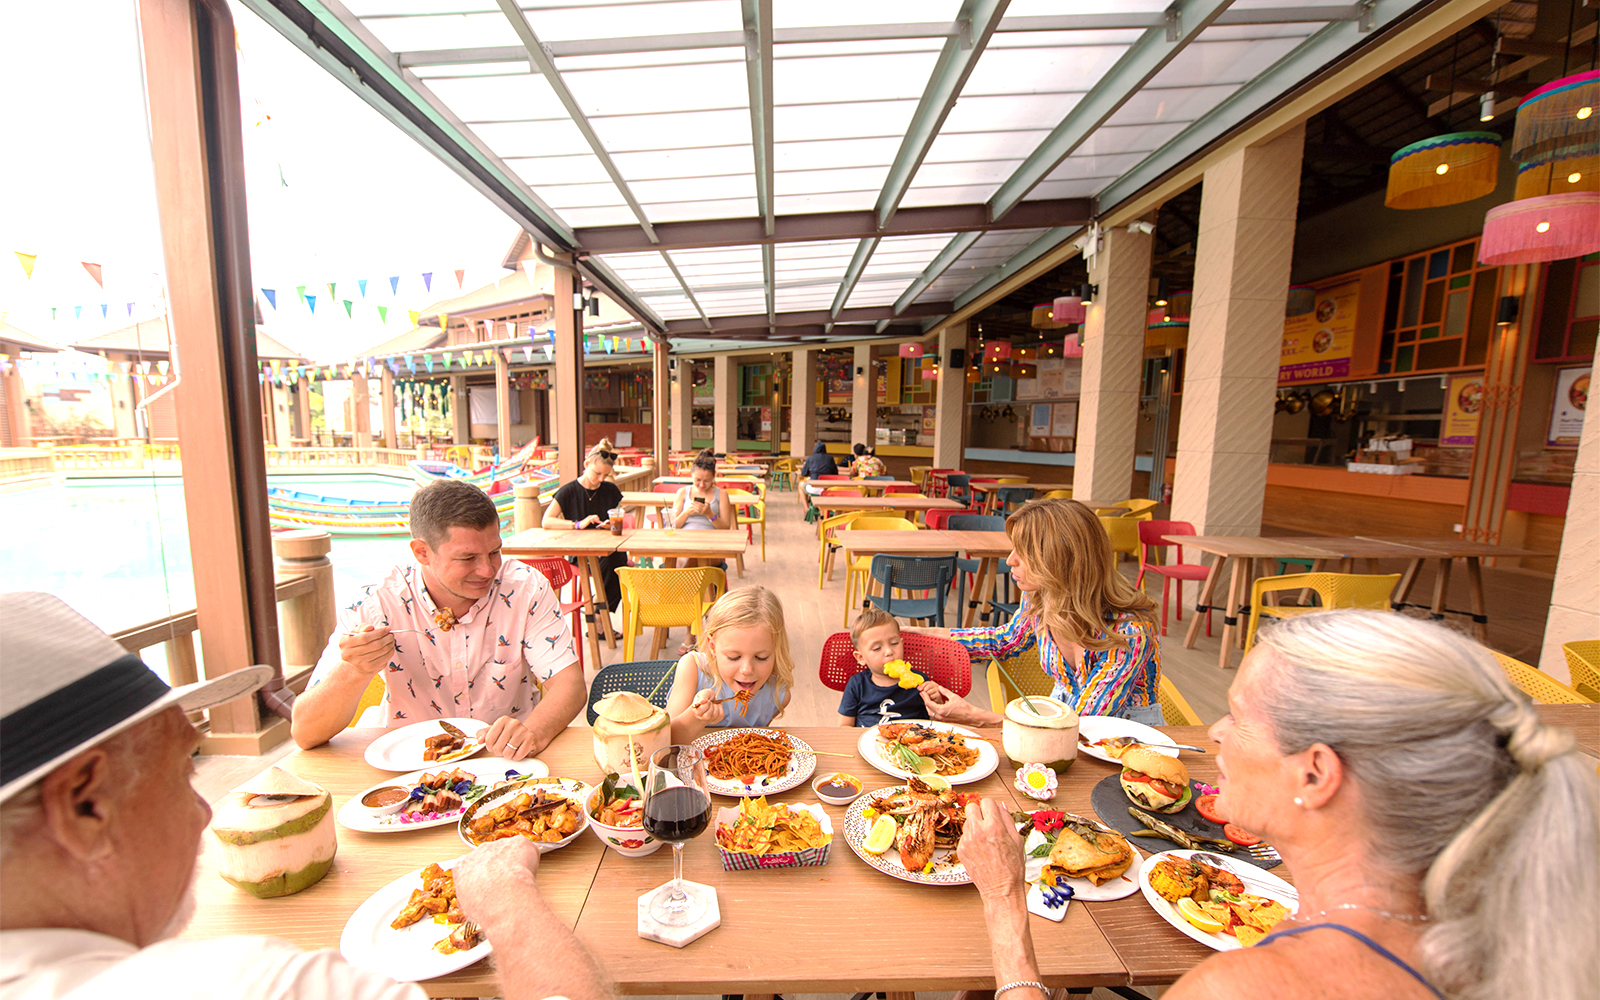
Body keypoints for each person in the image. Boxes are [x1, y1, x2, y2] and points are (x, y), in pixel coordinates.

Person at [959, 610, 1600, 1000]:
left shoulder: (1255, 987)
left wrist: (1005, 908)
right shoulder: (1520, 934)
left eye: (1237, 716)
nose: (1211, 734)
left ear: (1316, 773)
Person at [0, 593, 611, 1000]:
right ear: (84, 805)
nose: (205, 811)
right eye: (180, 773)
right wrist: (504, 900)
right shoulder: (266, 986)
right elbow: (308, 729)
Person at [291, 479, 583, 761]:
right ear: (422, 552)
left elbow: (569, 684)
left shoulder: (525, 588)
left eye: (494, 552)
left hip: (504, 759)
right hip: (408, 762)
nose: (487, 570)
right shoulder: (376, 603)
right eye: (467, 558)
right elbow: (305, 733)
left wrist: (533, 731)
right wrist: (354, 670)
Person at [908, 498, 1162, 725]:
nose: (1010, 560)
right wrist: (915, 638)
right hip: (1057, 718)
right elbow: (1005, 640)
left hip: (1126, 741)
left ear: (1063, 558)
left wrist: (977, 717)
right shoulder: (1041, 596)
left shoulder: (1130, 629)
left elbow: (1081, 726)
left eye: (1025, 552)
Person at [664, 586, 795, 742]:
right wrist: (697, 716)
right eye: (734, 657)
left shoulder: (778, 696)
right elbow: (665, 741)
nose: (747, 670)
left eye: (761, 657)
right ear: (712, 647)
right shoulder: (693, 668)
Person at [542, 439, 626, 613]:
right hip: (580, 552)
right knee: (613, 563)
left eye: (606, 475)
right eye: (597, 473)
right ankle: (599, 615)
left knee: (618, 561)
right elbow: (547, 520)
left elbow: (618, 515)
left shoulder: (610, 490)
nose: (601, 479)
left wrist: (610, 524)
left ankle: (598, 613)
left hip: (606, 548)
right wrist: (578, 524)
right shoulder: (568, 491)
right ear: (586, 464)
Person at [837, 608, 929, 727]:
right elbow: (844, 726)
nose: (889, 651)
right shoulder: (857, 685)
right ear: (860, 657)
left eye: (894, 643)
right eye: (877, 648)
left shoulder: (920, 682)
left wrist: (936, 700)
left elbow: (935, 723)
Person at [665, 451, 735, 568]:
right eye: (698, 480)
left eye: (707, 481)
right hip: (684, 542)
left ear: (713, 477)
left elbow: (726, 527)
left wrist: (710, 514)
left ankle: (682, 583)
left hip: (711, 544)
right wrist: (686, 513)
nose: (702, 485)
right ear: (691, 475)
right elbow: (672, 526)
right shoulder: (682, 493)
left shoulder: (721, 495)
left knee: (695, 559)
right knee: (685, 557)